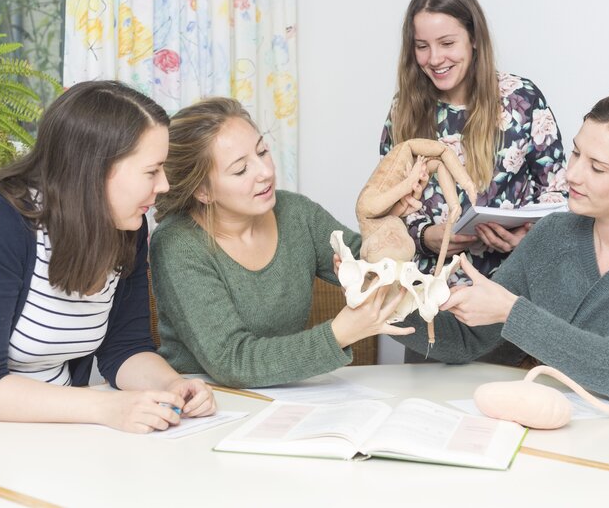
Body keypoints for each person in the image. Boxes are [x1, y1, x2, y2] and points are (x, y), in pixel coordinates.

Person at [0, 81, 216, 432]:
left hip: (54, 430)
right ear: (95, 169)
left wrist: (170, 385)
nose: (164, 185)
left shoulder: (127, 225)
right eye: (152, 171)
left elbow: (124, 347)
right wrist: (107, 407)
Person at [394, 92, 609, 407]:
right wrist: (376, 288)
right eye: (576, 153)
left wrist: (512, 312)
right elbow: (468, 341)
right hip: (552, 436)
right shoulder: (553, 234)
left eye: (597, 167)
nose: (572, 175)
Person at [149, 97, 413, 389]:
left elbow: (383, 272)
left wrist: (382, 233)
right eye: (240, 170)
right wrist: (338, 333)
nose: (266, 172)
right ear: (203, 192)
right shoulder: (177, 245)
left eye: (262, 152)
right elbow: (232, 360)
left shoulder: (296, 213)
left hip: (287, 398)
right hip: (201, 402)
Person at [381, 0, 567, 362]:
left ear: (474, 39)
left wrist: (525, 236)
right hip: (432, 309)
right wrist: (426, 237)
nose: (435, 58)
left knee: (506, 414)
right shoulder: (404, 112)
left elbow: (560, 193)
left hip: (509, 301)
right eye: (422, 46)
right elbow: (386, 210)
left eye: (447, 43)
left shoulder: (521, 99)